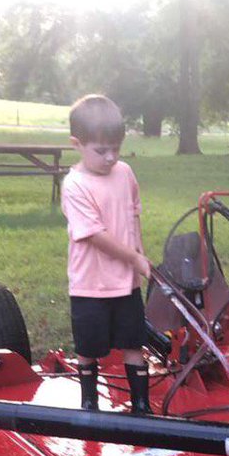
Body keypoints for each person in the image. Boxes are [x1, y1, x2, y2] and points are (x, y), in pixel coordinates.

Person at [61, 94, 152, 413]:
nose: (111, 157)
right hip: (90, 284)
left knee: (133, 343)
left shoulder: (124, 173)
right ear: (77, 143)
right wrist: (134, 258)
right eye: (101, 151)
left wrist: (139, 249)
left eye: (116, 148)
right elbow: (95, 235)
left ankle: (142, 404)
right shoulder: (75, 185)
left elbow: (133, 210)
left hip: (126, 284)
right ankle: (89, 404)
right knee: (89, 347)